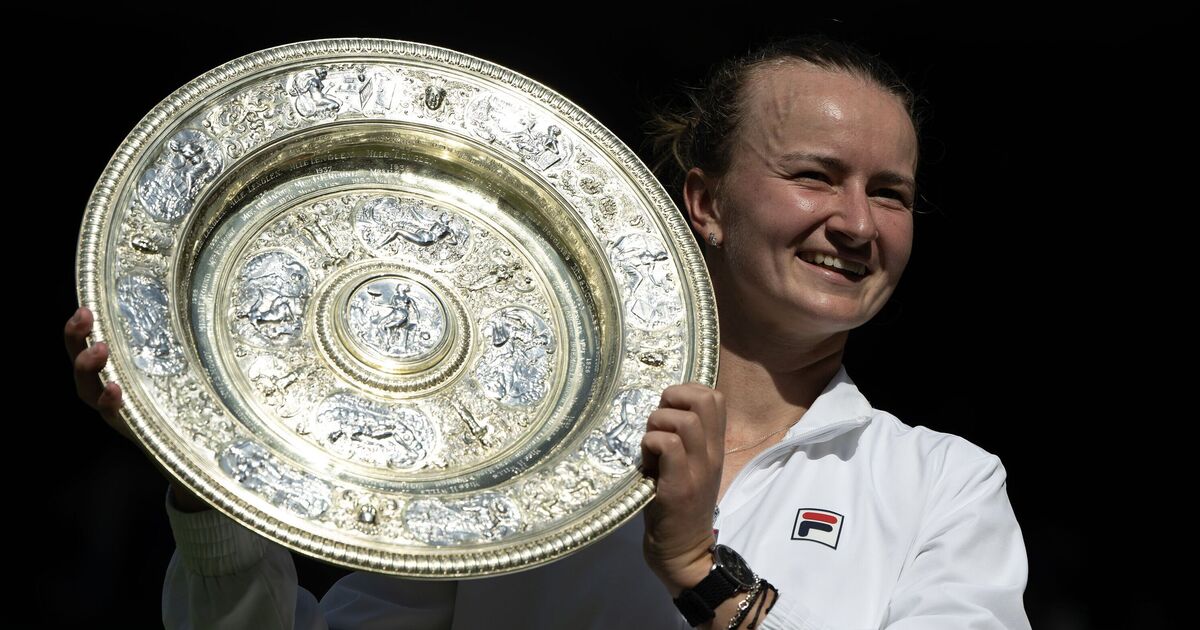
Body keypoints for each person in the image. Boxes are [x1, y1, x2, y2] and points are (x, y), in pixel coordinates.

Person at [65, 33, 1031, 629]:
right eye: (817, 176)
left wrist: (697, 569)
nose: (857, 223)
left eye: (891, 194)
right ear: (706, 200)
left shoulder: (943, 484)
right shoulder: (529, 457)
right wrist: (208, 477)